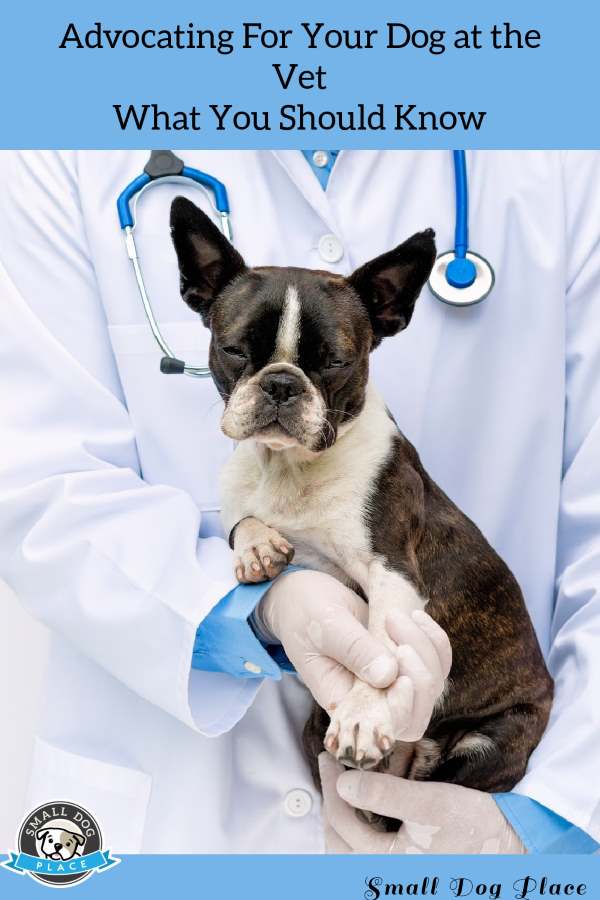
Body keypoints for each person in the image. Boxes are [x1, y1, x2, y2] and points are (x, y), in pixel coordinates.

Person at [0, 149, 598, 853]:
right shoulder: (59, 153)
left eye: (328, 364)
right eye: (243, 358)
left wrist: (548, 826)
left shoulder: (562, 160)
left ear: (388, 312)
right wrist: (253, 609)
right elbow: (37, 481)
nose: (278, 390)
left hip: (480, 748)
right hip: (174, 815)